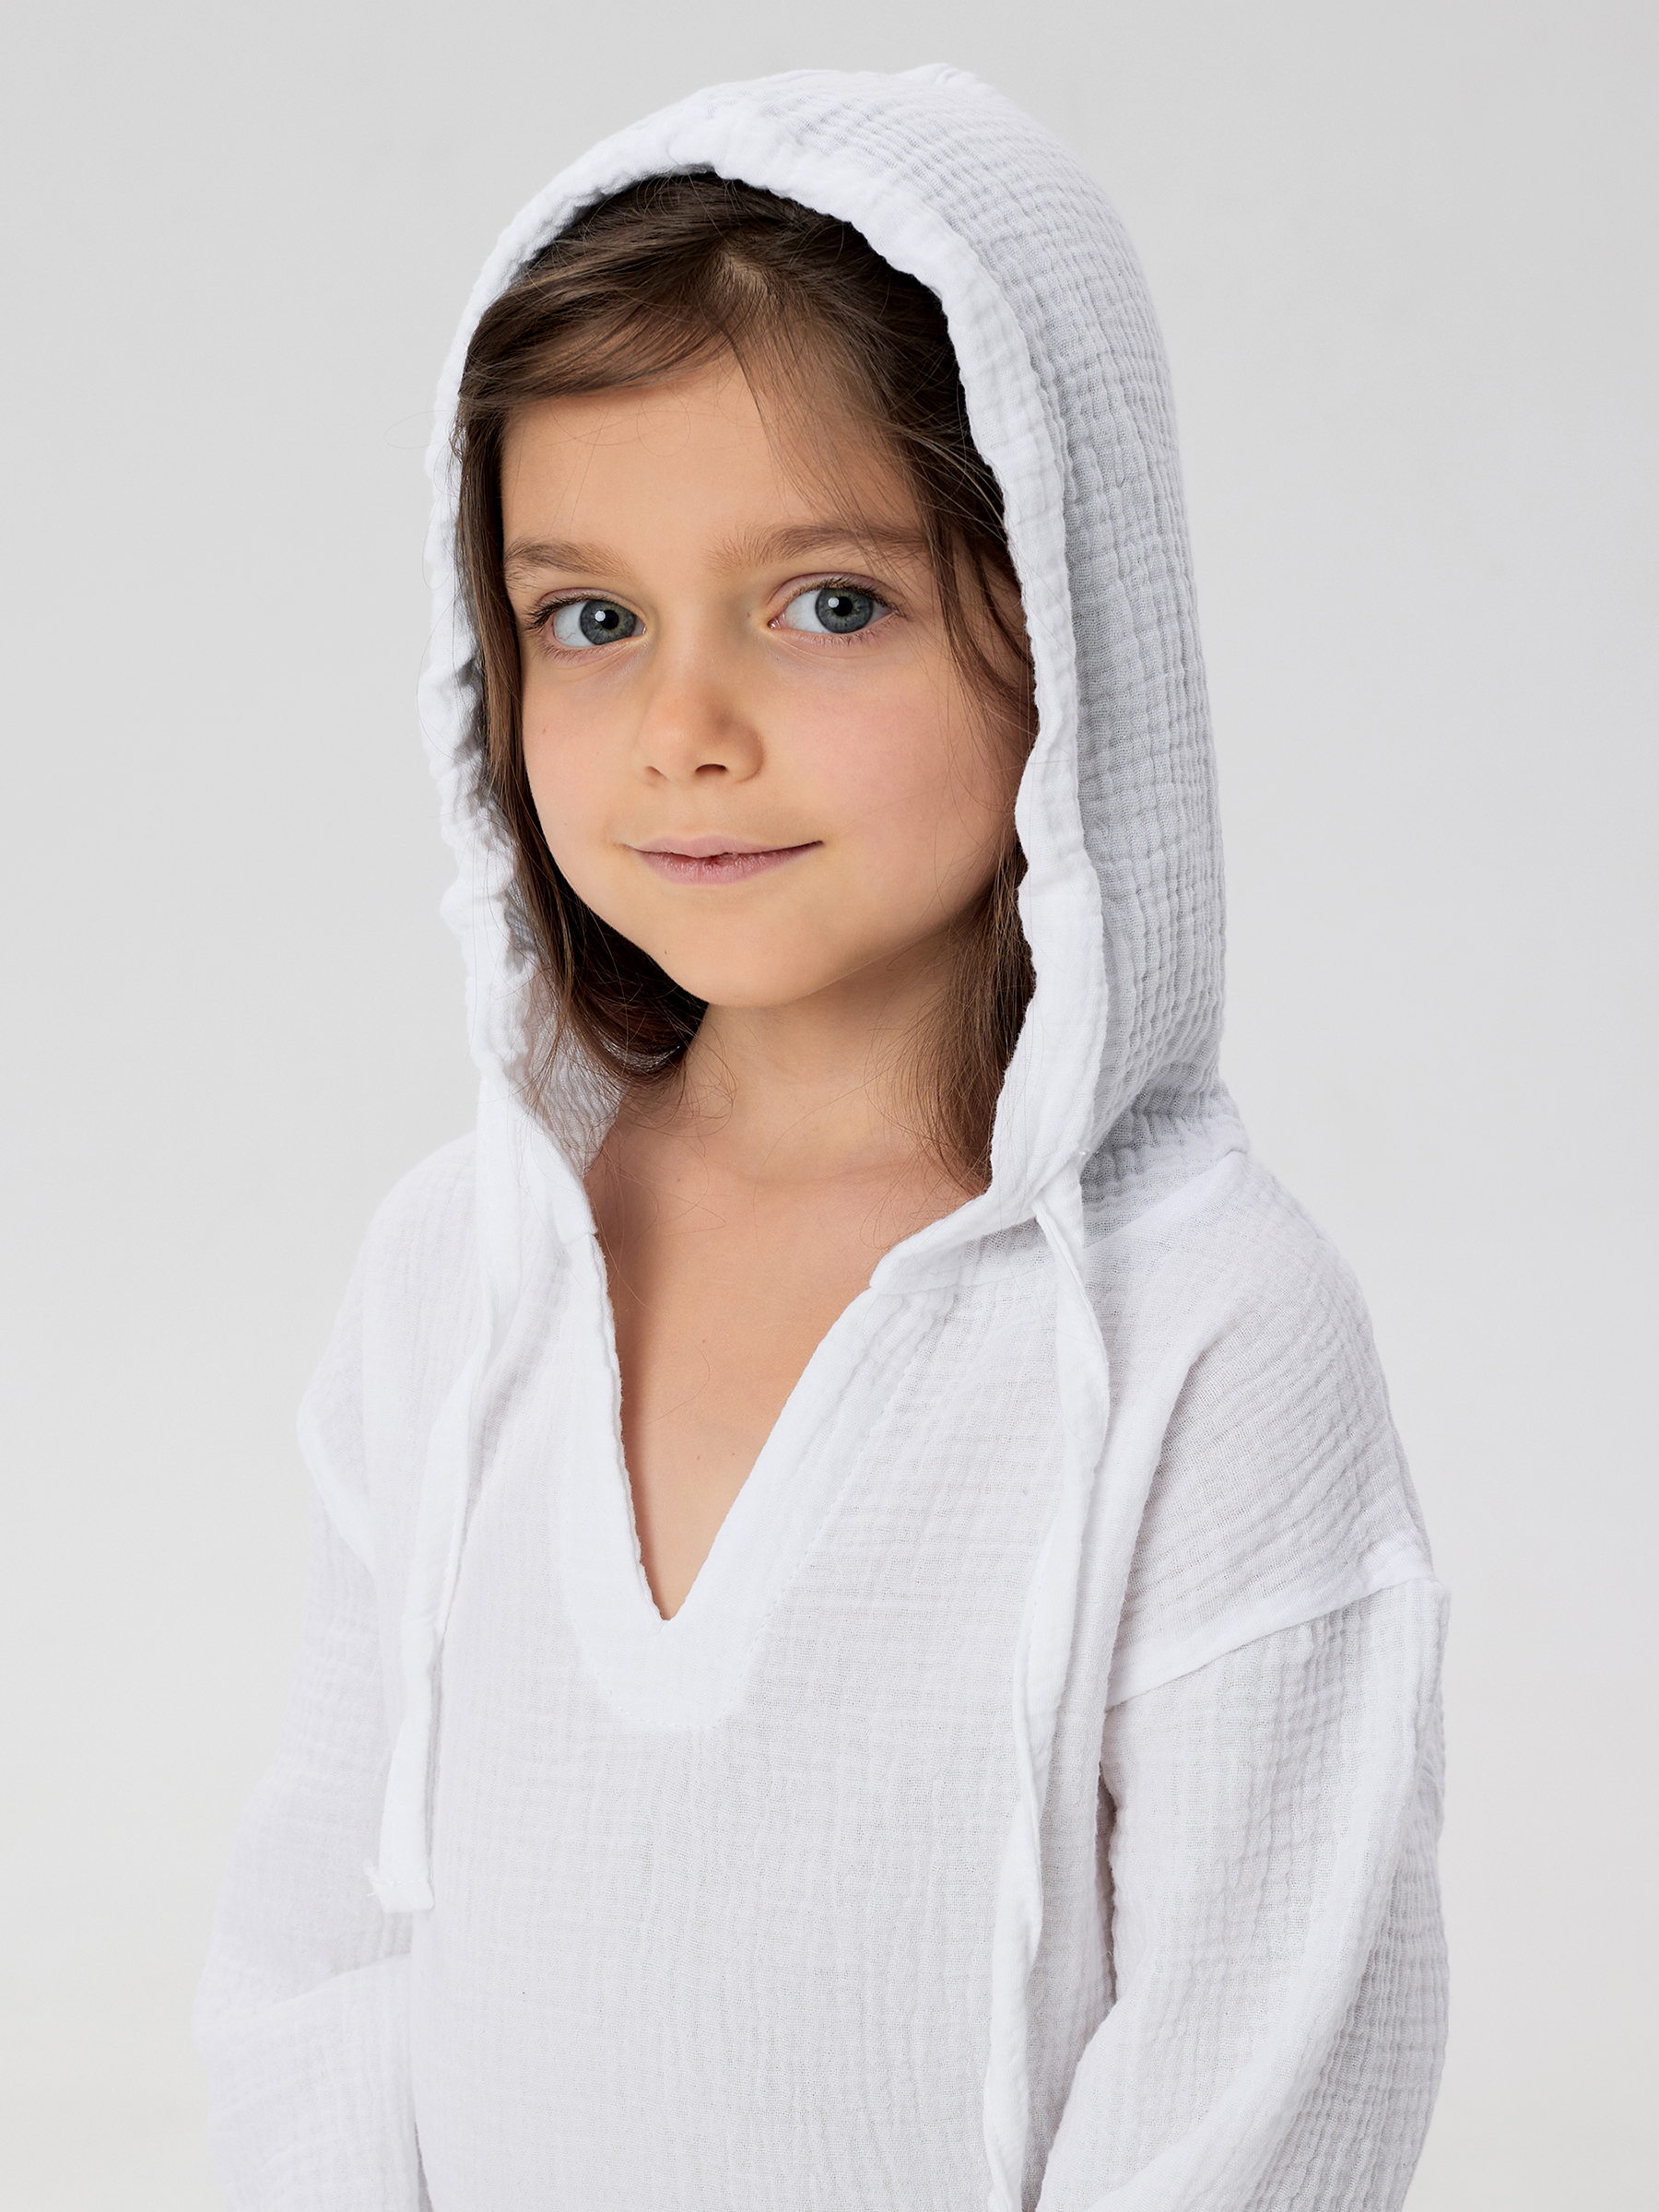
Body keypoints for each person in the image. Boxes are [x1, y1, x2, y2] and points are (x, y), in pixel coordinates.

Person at [194, 65, 1448, 2212]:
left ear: (1066, 614)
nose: (684, 730)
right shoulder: (459, 1273)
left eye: (828, 602)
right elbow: (325, 1949)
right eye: (590, 619)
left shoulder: (1213, 1332)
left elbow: (1263, 2072)